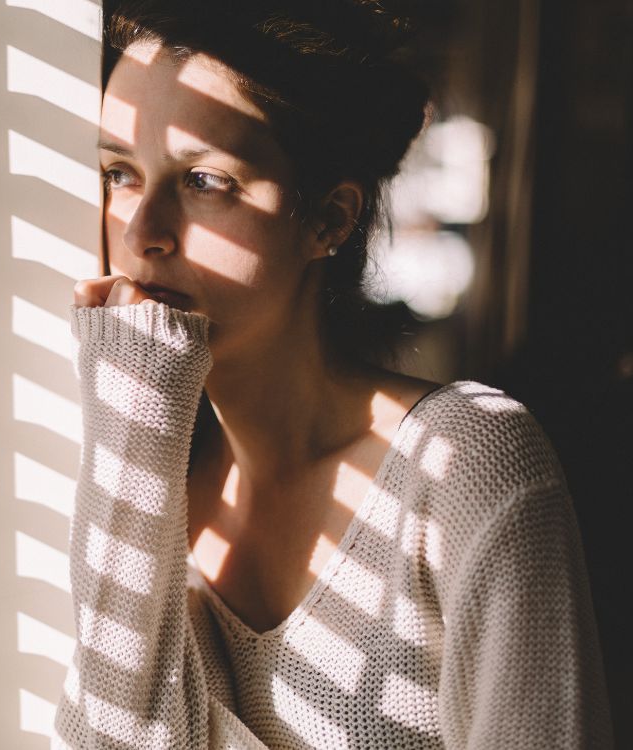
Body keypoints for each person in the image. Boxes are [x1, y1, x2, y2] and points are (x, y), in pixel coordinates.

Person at [51, 1, 613, 747]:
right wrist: (135, 420)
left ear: (329, 218)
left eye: (205, 180)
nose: (141, 232)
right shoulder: (145, 475)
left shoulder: (463, 467)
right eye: (119, 172)